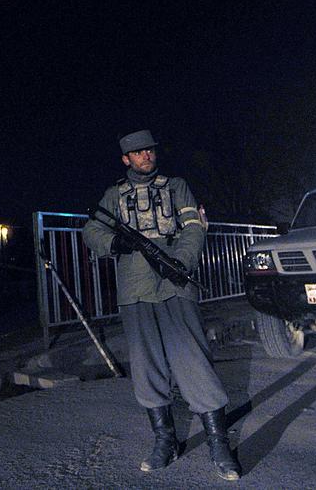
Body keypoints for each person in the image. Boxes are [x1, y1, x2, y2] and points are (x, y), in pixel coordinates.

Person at [82, 129, 241, 482]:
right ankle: (164, 441)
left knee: (193, 359)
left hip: (174, 283)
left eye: (149, 151)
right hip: (135, 289)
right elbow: (91, 232)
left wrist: (180, 261)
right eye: (138, 154)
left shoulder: (177, 186)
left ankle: (218, 442)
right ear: (126, 159)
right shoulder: (114, 195)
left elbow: (193, 227)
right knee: (146, 364)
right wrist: (118, 246)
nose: (146, 157)